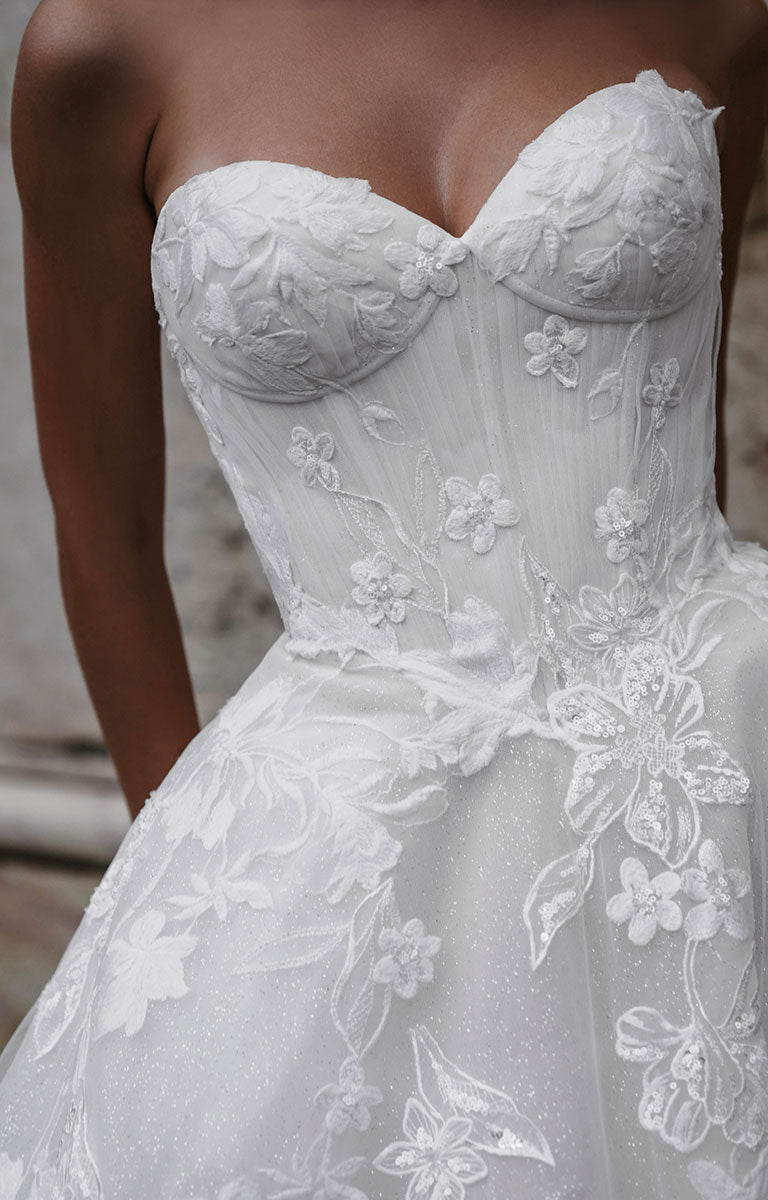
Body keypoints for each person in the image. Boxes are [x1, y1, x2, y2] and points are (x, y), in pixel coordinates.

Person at [3, 0, 768, 1195]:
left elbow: (692, 424)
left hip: (720, 749)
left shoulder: (716, 11)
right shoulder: (103, 46)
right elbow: (103, 529)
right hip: (338, 823)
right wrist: (202, 909)